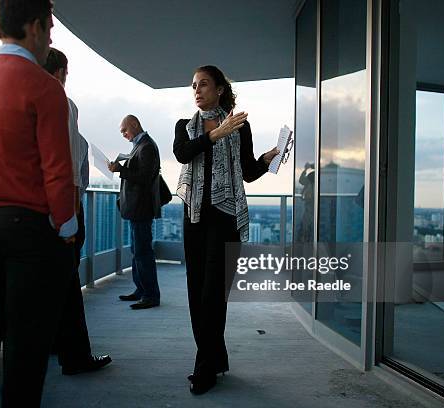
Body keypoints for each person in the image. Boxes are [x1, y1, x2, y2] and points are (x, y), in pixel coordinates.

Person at [0, 1, 78, 406]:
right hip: (29, 229)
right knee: (27, 343)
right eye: (51, 27)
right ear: (35, 27)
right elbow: (57, 170)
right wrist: (68, 227)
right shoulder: (44, 87)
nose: (52, 37)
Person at [174, 65, 280, 395]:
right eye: (194, 85)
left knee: (213, 297)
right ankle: (215, 358)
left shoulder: (239, 126)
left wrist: (268, 158)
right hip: (193, 220)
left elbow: (246, 172)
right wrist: (215, 134)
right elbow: (182, 153)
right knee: (196, 295)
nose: (197, 90)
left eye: (203, 84)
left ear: (219, 89)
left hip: (224, 220)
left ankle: (203, 368)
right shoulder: (185, 126)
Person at [42, 47, 112, 374]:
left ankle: (56, 345)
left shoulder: (28, 99)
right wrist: (69, 219)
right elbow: (69, 168)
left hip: (34, 210)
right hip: (62, 210)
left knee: (51, 284)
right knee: (68, 285)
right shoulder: (62, 103)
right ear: (60, 73)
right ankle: (75, 356)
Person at [108, 115, 161, 310]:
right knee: (137, 252)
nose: (123, 134)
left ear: (135, 125)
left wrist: (120, 169)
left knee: (143, 252)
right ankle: (141, 290)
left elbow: (144, 178)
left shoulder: (146, 146)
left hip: (141, 208)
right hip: (137, 208)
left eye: (124, 130)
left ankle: (150, 295)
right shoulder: (141, 145)